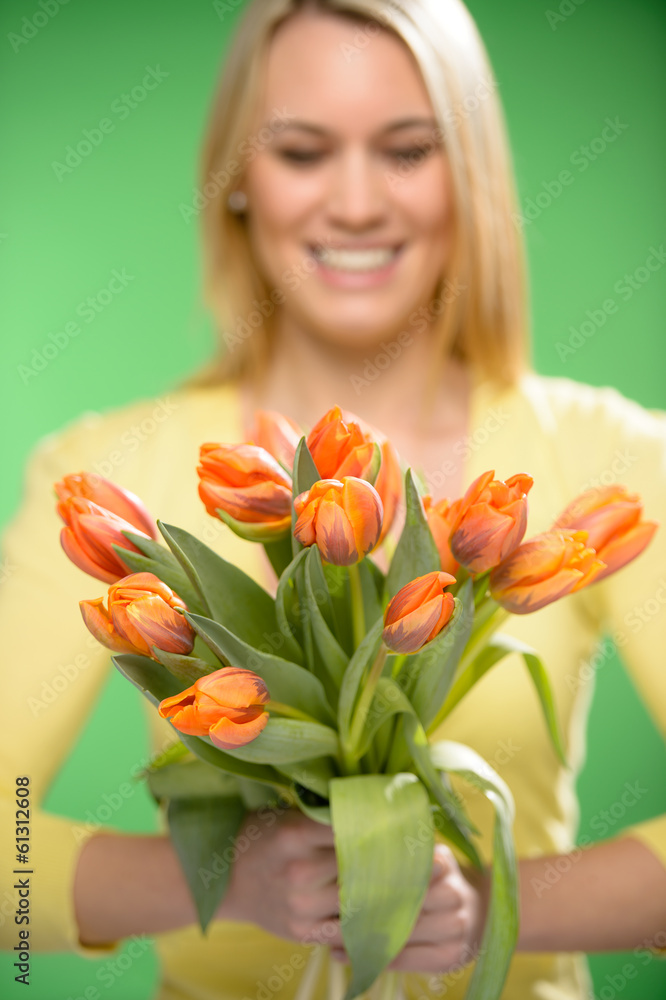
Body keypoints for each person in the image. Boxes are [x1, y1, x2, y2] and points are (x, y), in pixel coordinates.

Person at [1, 0, 665, 998]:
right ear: (237, 183)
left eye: (407, 150)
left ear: (471, 177)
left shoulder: (601, 451)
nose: (356, 204)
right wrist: (218, 879)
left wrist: (493, 904)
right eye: (303, 152)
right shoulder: (108, 468)